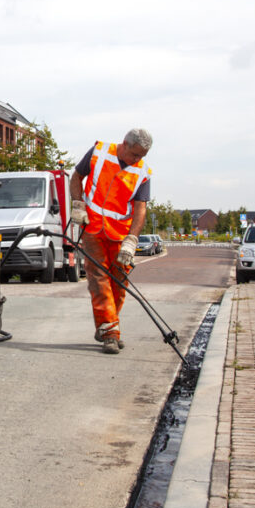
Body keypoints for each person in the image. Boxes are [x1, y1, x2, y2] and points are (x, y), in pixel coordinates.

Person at [68, 129, 152, 355]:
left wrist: (132, 239)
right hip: (93, 228)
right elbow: (76, 177)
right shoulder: (99, 152)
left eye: (142, 156)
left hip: (120, 234)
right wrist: (78, 204)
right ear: (124, 144)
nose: (138, 160)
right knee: (99, 278)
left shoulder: (142, 172)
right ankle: (111, 334)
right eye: (135, 154)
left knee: (120, 281)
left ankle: (107, 324)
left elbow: (140, 208)